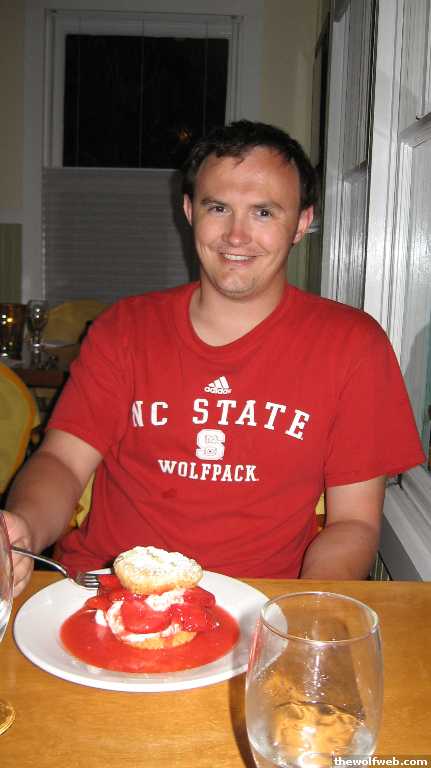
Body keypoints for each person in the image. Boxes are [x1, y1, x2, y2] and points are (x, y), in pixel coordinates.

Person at [5, 120, 425, 596]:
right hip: (108, 595)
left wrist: (308, 611)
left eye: (263, 212)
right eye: (218, 207)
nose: (236, 236)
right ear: (189, 211)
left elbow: (353, 523)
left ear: (301, 223)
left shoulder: (353, 345)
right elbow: (62, 462)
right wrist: (23, 529)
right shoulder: (124, 329)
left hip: (261, 605)